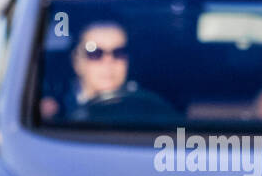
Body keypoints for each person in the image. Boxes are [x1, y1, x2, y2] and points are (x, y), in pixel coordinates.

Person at [40, 21, 176, 124]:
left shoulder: (149, 107)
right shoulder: (54, 106)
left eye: (118, 52)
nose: (108, 62)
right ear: (77, 61)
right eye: (95, 53)